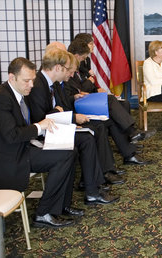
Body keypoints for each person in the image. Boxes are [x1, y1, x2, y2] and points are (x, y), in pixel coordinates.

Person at [0, 57, 77, 228]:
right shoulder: (0, 99)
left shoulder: (18, 93)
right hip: (8, 158)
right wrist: (39, 127)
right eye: (27, 81)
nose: (31, 85)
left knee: (69, 150)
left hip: (22, 148)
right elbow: (11, 135)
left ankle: (61, 206)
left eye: (33, 80)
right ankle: (44, 213)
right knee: (64, 156)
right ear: (12, 77)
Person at [27, 47, 118, 205]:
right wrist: (67, 117)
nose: (71, 74)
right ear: (58, 68)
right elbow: (40, 118)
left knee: (93, 131)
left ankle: (93, 184)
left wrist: (67, 117)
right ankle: (92, 190)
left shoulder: (51, 83)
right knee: (87, 138)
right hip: (44, 134)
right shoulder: (38, 85)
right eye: (68, 70)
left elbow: (58, 109)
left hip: (57, 125)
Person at [67, 39, 150, 165]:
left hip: (86, 99)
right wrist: (88, 84)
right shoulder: (67, 71)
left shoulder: (79, 65)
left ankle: (129, 152)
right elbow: (77, 90)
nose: (85, 59)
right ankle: (131, 134)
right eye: (84, 57)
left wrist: (94, 88)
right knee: (110, 102)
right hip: (78, 108)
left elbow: (82, 86)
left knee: (120, 107)